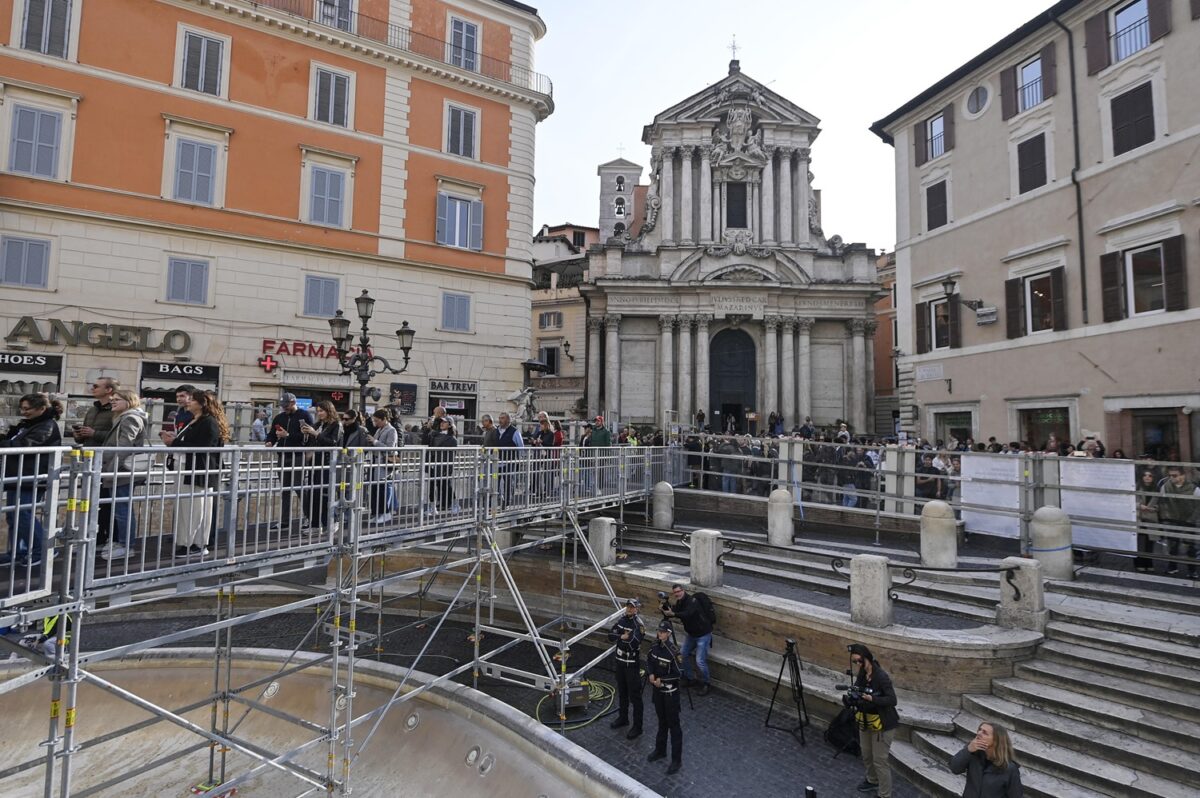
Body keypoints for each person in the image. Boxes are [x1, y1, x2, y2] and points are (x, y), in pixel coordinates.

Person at [161, 390, 228, 557]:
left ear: (202, 403)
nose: (188, 402)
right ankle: (188, 542)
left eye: (192, 400)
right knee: (187, 508)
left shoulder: (208, 422)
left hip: (196, 472)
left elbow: (203, 447)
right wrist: (175, 440)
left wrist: (174, 442)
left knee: (196, 509)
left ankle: (196, 544)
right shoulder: (195, 421)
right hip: (186, 469)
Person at [1, 393, 63, 568]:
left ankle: (42, 550)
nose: (23, 412)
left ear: (41, 409)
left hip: (32, 476)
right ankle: (17, 552)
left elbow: (25, 446)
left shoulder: (47, 425)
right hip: (19, 475)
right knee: (14, 516)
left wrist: (5, 443)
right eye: (22, 408)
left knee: (24, 514)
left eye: (27, 408)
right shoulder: (30, 424)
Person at [97, 388, 150, 561]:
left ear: (129, 401)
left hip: (122, 472)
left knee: (122, 509)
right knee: (119, 508)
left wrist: (112, 470)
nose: (112, 401)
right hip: (119, 470)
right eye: (112, 399)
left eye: (117, 399)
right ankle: (121, 542)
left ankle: (126, 545)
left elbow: (124, 446)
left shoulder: (130, 418)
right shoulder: (123, 417)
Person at [847, 643, 899, 797]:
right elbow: (858, 689)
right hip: (866, 720)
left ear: (867, 658)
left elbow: (892, 700)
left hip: (882, 724)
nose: (858, 664)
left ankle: (884, 795)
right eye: (855, 661)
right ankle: (872, 780)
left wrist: (872, 698)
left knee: (880, 761)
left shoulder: (881, 676)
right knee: (867, 754)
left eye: (859, 661)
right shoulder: (862, 674)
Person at [265, 394, 314, 531]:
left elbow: (308, 436)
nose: (284, 409)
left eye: (286, 406)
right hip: (283, 456)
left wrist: (288, 436)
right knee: (285, 490)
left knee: (299, 488)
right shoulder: (279, 417)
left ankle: (310, 518)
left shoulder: (304, 416)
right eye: (283, 406)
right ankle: (285, 521)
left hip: (298, 456)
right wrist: (269, 441)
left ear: (293, 402)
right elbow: (272, 433)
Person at [661, 583, 713, 695]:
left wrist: (673, 613)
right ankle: (690, 678)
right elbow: (674, 611)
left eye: (678, 591)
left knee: (700, 661)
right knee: (682, 654)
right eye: (675, 593)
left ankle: (706, 683)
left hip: (703, 634)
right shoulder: (680, 602)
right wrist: (665, 608)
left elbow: (687, 614)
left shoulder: (692, 601)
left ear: (683, 590)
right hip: (692, 635)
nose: (677, 594)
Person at [646, 619, 683, 774]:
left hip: (670, 694)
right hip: (658, 693)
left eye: (662, 632)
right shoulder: (654, 647)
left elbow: (679, 673)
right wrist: (651, 674)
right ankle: (660, 750)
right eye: (659, 631)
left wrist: (663, 680)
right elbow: (649, 662)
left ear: (668, 634)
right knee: (662, 722)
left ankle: (676, 760)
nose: (659, 634)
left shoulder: (673, 652)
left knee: (674, 726)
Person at [949, 721, 1023, 797]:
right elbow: (955, 768)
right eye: (979, 730)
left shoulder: (1009, 769)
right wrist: (968, 750)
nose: (979, 733)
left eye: (985, 733)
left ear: (996, 741)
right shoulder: (973, 754)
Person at [299, 401, 342, 533]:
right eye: (318, 411)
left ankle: (333, 520)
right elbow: (309, 443)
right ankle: (316, 524)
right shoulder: (317, 424)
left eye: (322, 411)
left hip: (328, 462)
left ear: (329, 411)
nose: (319, 413)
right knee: (314, 493)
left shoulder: (336, 424)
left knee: (326, 493)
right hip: (315, 462)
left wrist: (316, 434)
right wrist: (306, 435)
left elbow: (333, 443)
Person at [1151, 465, 1200, 578]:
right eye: (1170, 475)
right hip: (1173, 520)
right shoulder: (1166, 486)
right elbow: (1161, 501)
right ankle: (1172, 566)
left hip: (1189, 521)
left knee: (1190, 547)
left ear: (1183, 475)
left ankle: (1192, 570)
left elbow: (1198, 507)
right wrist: (1165, 516)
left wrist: (1191, 519)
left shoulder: (1194, 488)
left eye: (1175, 475)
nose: (1172, 478)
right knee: (1173, 545)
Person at [608, 598, 645, 739]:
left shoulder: (638, 625)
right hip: (620, 662)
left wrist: (621, 637)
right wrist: (621, 636)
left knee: (635, 696)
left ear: (637, 609)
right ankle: (623, 718)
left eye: (633, 607)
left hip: (631, 664)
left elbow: (632, 643)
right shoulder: (622, 620)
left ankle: (638, 726)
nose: (630, 609)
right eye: (628, 607)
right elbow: (610, 636)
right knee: (622, 692)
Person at [367, 409, 399, 524]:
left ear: (384, 419)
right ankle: (377, 513)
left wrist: (375, 442)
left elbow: (390, 448)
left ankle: (385, 513)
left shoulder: (391, 430)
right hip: (376, 462)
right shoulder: (380, 429)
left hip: (384, 463)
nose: (375, 423)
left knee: (382, 489)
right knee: (375, 489)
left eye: (377, 421)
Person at [71, 376, 118, 446]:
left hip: (105, 454)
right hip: (88, 453)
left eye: (96, 386)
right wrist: (78, 435)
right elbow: (82, 439)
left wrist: (94, 433)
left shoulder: (117, 410)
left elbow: (119, 436)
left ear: (108, 390)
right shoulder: (92, 410)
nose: (92, 388)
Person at [428, 416, 458, 513]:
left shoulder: (452, 439)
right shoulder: (434, 435)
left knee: (445, 485)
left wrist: (447, 467)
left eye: (444, 422)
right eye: (441, 422)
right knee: (434, 485)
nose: (442, 423)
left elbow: (451, 455)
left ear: (449, 425)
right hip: (434, 464)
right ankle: (435, 506)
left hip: (444, 465)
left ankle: (450, 504)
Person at [1134, 467, 1160, 573]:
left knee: (1150, 543)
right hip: (1139, 517)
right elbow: (1130, 501)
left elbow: (1160, 504)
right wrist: (1140, 505)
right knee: (1140, 542)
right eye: (1145, 475)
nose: (1147, 477)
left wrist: (1155, 508)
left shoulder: (1156, 489)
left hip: (1151, 518)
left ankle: (1149, 563)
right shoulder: (1137, 487)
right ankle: (1139, 563)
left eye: (1150, 476)